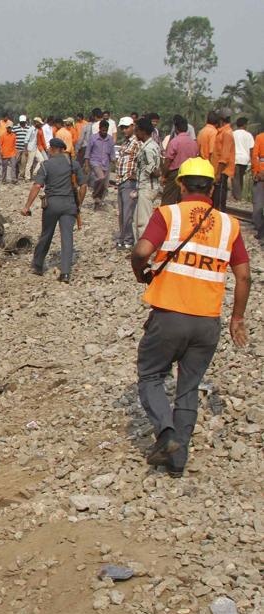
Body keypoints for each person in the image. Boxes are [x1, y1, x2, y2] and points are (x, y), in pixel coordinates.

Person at [129, 157, 251, 478]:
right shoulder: (228, 225)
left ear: (181, 184)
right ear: (211, 187)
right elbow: (244, 276)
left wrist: (141, 274)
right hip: (206, 323)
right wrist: (237, 317)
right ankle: (177, 461)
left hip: (169, 316)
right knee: (188, 386)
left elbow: (142, 251)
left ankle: (166, 434)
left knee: (152, 376)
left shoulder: (168, 215)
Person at [22, 138, 86, 283]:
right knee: (67, 237)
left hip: (52, 204)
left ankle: (38, 266)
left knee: (46, 234)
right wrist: (78, 205)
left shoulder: (46, 165)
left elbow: (37, 186)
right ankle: (65, 273)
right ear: (62, 150)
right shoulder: (73, 165)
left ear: (51, 149)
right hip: (69, 205)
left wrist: (27, 206)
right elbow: (83, 186)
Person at [111, 117, 141, 249]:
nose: (124, 130)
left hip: (129, 180)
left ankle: (128, 239)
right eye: (122, 128)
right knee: (122, 212)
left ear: (132, 126)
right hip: (121, 180)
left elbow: (140, 161)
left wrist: (135, 176)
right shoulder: (125, 142)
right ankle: (123, 237)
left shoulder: (136, 143)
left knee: (128, 213)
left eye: (126, 127)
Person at [132, 118, 162, 241]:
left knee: (142, 222)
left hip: (146, 188)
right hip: (146, 187)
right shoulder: (153, 145)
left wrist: (152, 171)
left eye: (137, 130)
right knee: (136, 221)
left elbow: (154, 170)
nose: (135, 133)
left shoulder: (147, 149)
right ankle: (137, 247)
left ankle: (143, 250)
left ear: (143, 131)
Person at [162, 115, 199, 206]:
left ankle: (167, 218)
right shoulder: (194, 143)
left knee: (168, 199)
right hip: (189, 174)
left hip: (175, 173)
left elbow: (168, 161)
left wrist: (164, 175)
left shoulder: (174, 142)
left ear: (176, 128)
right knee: (184, 200)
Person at [85, 120, 114, 210]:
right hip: (95, 162)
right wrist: (86, 164)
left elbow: (112, 152)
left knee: (104, 185)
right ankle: (95, 194)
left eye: (106, 130)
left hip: (106, 163)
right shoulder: (93, 138)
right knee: (101, 177)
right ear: (100, 128)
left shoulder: (110, 139)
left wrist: (114, 162)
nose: (104, 132)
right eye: (103, 130)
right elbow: (88, 152)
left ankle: (98, 201)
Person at [212, 110, 236, 210]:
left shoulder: (227, 133)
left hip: (222, 172)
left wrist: (218, 174)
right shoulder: (222, 132)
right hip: (218, 170)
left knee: (219, 201)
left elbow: (224, 157)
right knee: (215, 199)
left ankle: (221, 220)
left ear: (221, 120)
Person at [232, 117, 254, 202]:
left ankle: (237, 197)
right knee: (240, 178)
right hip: (245, 160)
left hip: (236, 158)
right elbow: (251, 149)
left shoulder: (233, 134)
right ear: (244, 125)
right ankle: (238, 195)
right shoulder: (249, 135)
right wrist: (252, 161)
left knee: (235, 178)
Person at [253, 126, 264, 244]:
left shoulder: (260, 137)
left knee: (258, 203)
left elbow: (255, 156)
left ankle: (260, 229)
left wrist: (256, 172)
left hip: (261, 173)